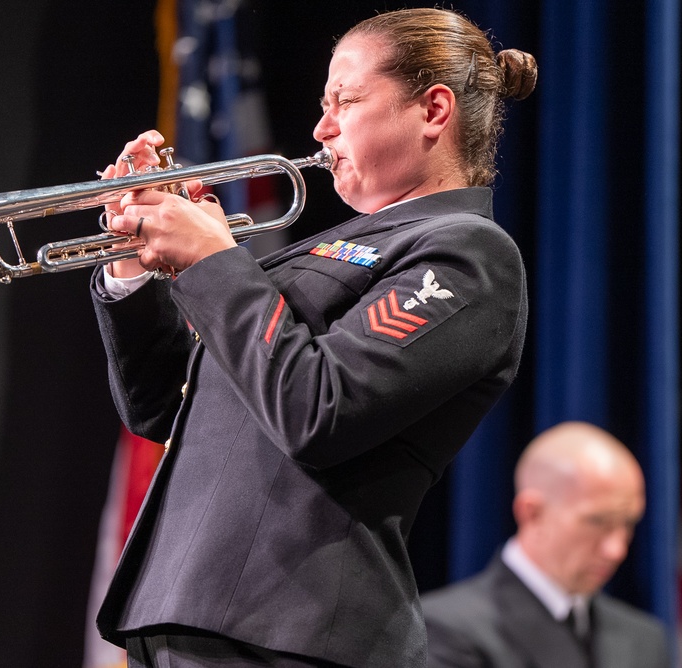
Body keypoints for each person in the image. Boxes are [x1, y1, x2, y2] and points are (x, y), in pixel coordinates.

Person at [89, 7, 537, 667]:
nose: (321, 129)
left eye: (346, 101)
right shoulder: (330, 248)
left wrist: (214, 262)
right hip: (197, 617)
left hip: (290, 634)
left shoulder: (467, 255)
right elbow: (162, 406)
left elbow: (318, 409)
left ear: (434, 110)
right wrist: (131, 266)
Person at [421, 421, 671, 667]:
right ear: (533, 514)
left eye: (627, 523)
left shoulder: (645, 638)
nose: (616, 550)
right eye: (598, 521)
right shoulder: (445, 630)